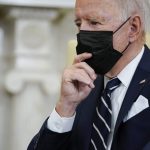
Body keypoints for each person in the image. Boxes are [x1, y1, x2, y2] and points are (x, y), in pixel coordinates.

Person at [27, 0, 150, 150]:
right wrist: (65, 107)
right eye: (79, 24)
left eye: (94, 22)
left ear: (133, 28)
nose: (82, 32)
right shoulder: (81, 86)